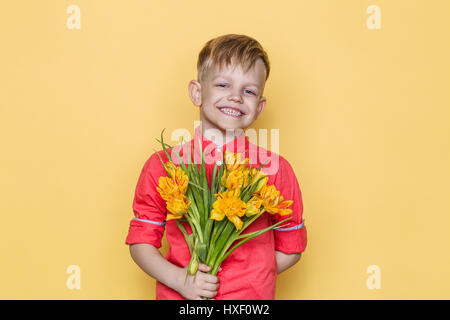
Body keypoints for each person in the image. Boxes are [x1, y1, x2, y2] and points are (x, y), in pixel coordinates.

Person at [125, 34, 307, 300]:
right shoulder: (164, 166)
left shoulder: (275, 169)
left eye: (249, 91)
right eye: (223, 84)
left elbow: (291, 247)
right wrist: (181, 281)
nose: (235, 97)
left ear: (259, 107)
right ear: (197, 93)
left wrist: (251, 277)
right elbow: (141, 242)